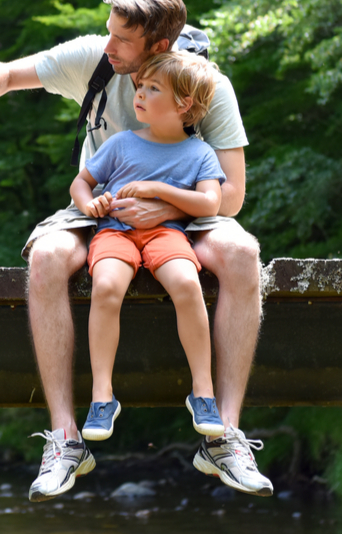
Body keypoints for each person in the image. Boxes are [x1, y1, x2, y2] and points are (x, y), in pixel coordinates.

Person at [0, 0, 271, 499]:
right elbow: (5, 76)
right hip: (99, 211)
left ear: (159, 45)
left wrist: (169, 202)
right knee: (45, 255)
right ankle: (66, 440)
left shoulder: (205, 87)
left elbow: (233, 195)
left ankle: (224, 437)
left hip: (188, 213)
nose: (107, 47)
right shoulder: (96, 58)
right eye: (108, 33)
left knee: (243, 252)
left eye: (122, 40)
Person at [71, 52, 226, 448]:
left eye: (152, 89)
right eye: (140, 86)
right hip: (115, 232)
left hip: (166, 234)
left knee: (187, 286)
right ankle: (102, 396)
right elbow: (81, 183)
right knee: (106, 287)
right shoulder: (122, 143)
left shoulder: (199, 153)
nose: (139, 94)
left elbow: (210, 203)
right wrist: (90, 204)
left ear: (183, 104)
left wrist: (156, 189)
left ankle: (203, 392)